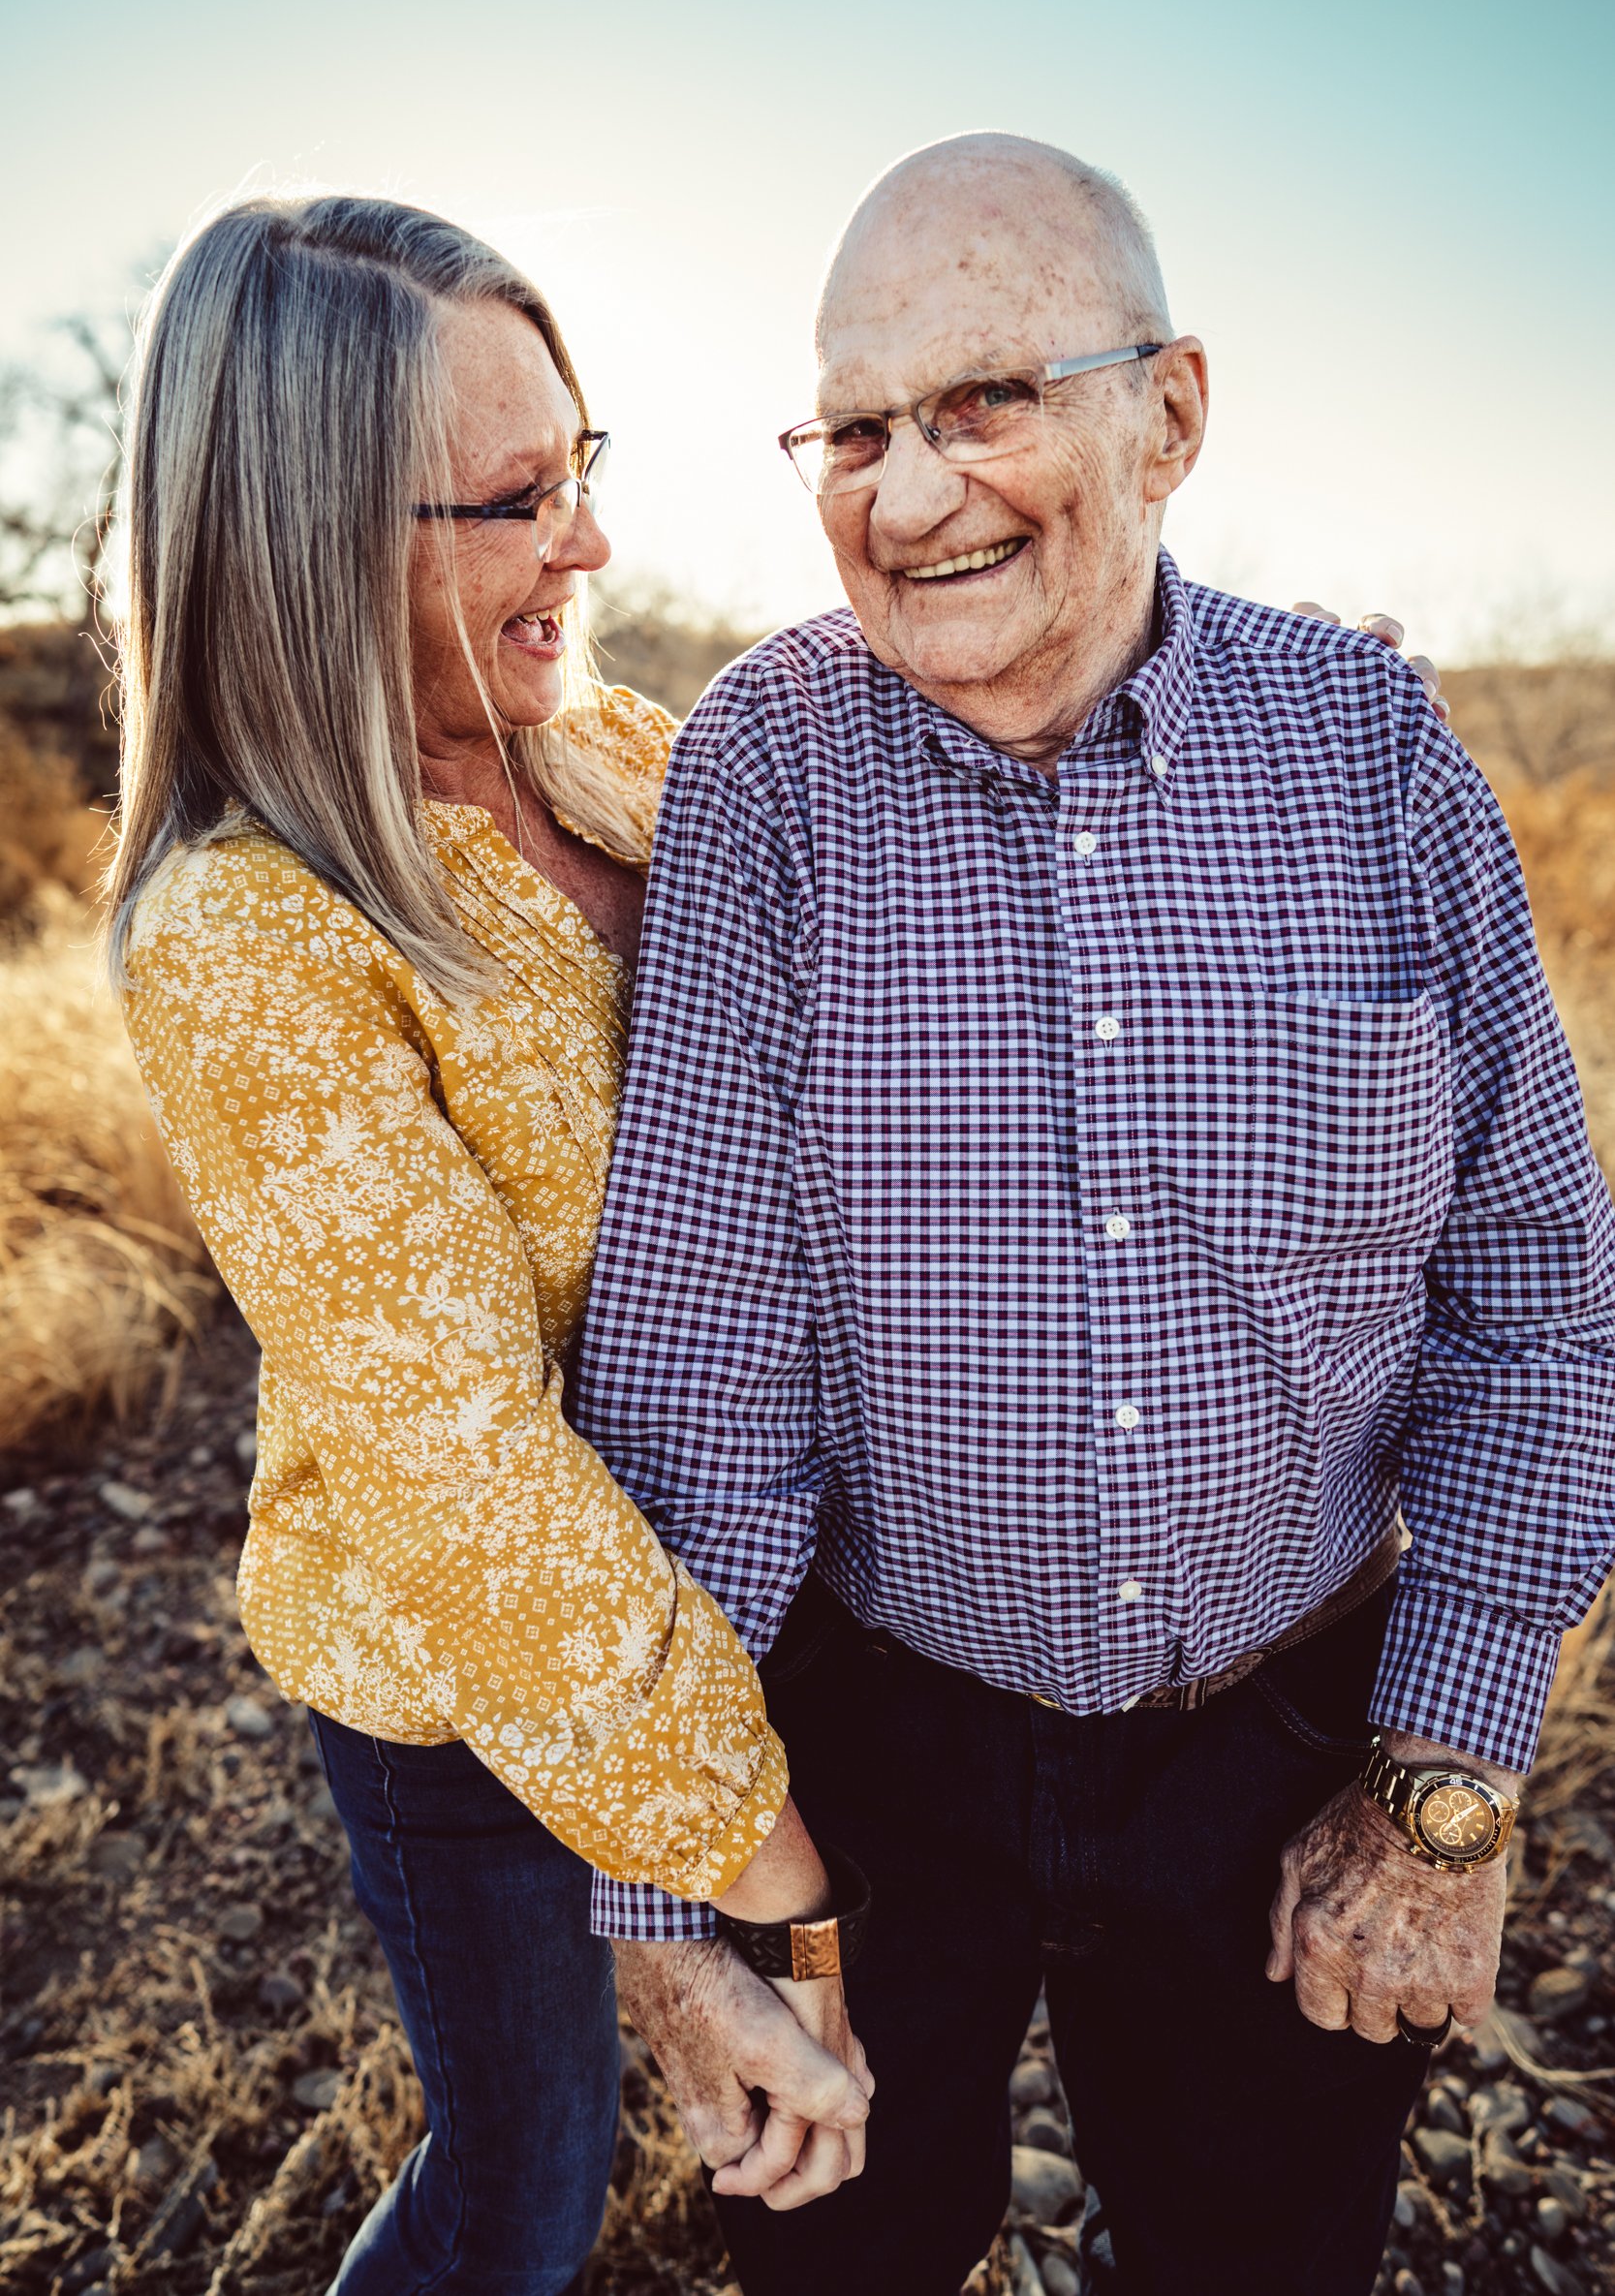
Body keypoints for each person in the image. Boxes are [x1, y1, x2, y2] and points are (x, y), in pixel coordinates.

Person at [575, 133, 1615, 2296]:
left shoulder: (1371, 753)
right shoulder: (769, 768)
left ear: (1173, 414)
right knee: (838, 2260)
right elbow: (696, 1373)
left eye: (985, 401)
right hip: (870, 1731)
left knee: (1266, 2248)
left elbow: (1539, 1306)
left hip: (1291, 1724)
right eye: (854, 428)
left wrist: (1444, 1777)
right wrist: (669, 1900)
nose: (909, 490)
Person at [107, 194, 871, 2296]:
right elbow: (464, 1476)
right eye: (521, 497)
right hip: (460, 1675)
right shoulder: (252, 932)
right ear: (306, 527)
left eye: (587, 468)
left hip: (714, 1579)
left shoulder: (603, 745)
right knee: (524, 2181)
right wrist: (739, 1843)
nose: (591, 549)